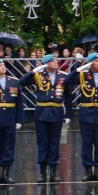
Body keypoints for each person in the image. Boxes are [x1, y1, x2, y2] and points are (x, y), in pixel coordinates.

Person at [18, 54, 69, 183]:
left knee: (54, 142)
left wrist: (68, 114)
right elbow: (21, 83)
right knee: (43, 143)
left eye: (56, 60)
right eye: (52, 61)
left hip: (57, 112)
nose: (56, 62)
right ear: (46, 64)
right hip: (42, 112)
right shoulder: (38, 75)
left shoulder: (63, 75)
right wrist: (33, 71)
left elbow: (68, 96)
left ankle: (53, 171)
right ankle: (42, 172)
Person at [63, 52, 98, 182]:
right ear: (90, 64)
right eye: (97, 61)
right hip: (87, 113)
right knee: (87, 143)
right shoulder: (83, 75)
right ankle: (88, 170)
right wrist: (78, 69)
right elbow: (66, 81)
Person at [0, 59, 22, 185]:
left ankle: (7, 174)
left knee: (8, 146)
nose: (3, 67)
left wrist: (19, 119)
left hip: (9, 117)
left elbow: (19, 102)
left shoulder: (13, 81)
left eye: (3, 65)